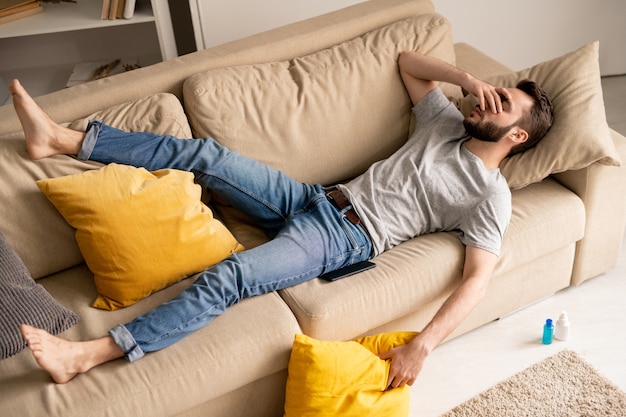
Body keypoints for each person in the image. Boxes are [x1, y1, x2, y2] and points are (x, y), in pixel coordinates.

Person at [12, 50, 553, 388]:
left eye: (501, 103)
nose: (486, 99)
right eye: (493, 92)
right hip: (313, 196)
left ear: (517, 136)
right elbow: (410, 62)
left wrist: (423, 345)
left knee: (232, 276)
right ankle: (62, 139)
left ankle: (88, 355)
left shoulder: (489, 195)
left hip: (345, 236)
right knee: (207, 156)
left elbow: (478, 280)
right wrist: (465, 77)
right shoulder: (444, 122)